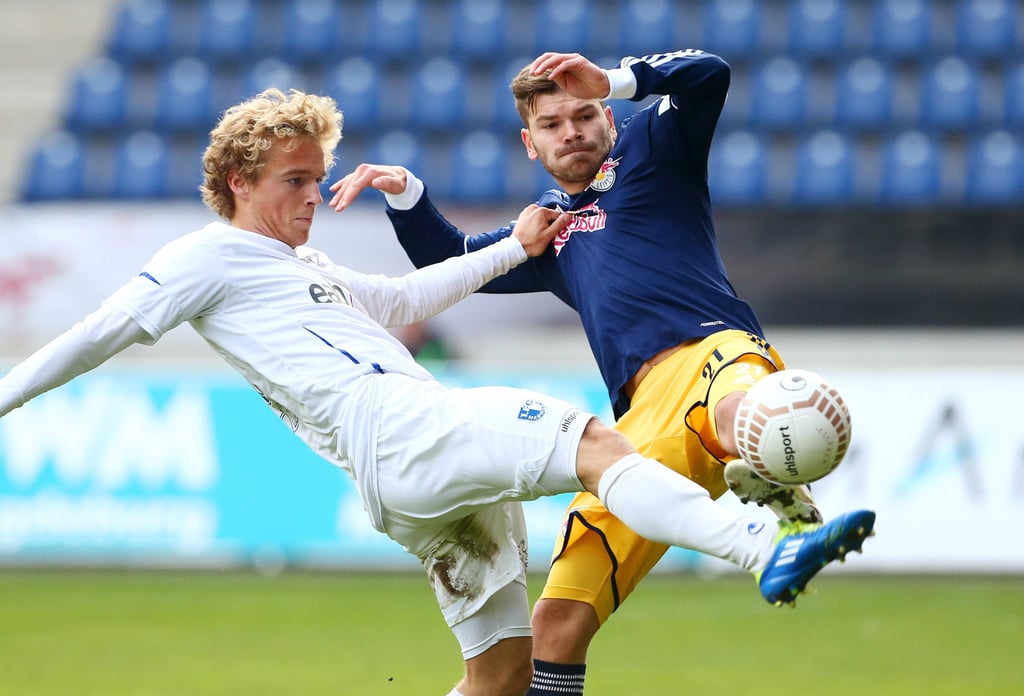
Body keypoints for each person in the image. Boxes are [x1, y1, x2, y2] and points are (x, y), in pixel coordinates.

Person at [0, 87, 874, 696]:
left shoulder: (299, 267)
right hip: (408, 429)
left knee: (502, 677)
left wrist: (515, 245)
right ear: (238, 184)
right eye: (293, 181)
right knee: (597, 445)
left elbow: (405, 300)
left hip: (404, 484)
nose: (312, 195)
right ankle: (767, 549)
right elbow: (95, 334)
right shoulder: (204, 256)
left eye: (316, 176)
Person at [329, 50, 863, 695]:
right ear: (531, 144)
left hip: (712, 353)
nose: (571, 130)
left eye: (584, 114)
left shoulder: (651, 146)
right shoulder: (547, 232)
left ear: (607, 117)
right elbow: (449, 260)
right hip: (638, 428)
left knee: (743, 406)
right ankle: (764, 480)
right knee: (555, 624)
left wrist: (616, 78)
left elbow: (710, 75)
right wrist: (409, 197)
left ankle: (773, 486)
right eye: (552, 125)